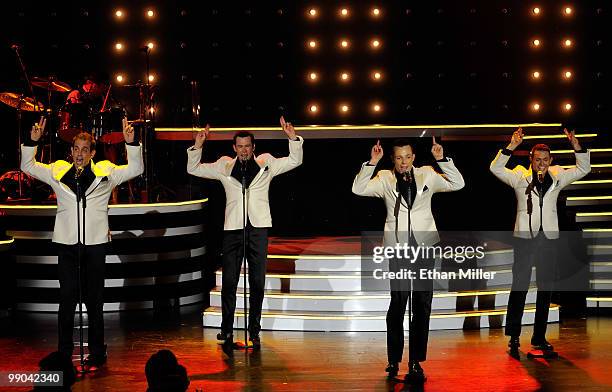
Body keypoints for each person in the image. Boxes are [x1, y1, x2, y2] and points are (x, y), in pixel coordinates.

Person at [21, 116, 144, 369]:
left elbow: (135, 169)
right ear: (71, 151)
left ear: (92, 153)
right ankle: (64, 353)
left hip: (95, 244)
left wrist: (132, 144)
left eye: (84, 150)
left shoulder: (106, 170)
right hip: (67, 244)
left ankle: (97, 352)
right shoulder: (58, 170)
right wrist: (32, 141)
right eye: (76, 149)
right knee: (66, 300)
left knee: (94, 300)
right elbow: (28, 166)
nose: (79, 154)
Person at [352, 137, 464, 382]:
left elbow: (458, 183)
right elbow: (358, 189)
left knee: (422, 303)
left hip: (424, 246)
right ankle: (394, 359)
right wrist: (372, 162)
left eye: (408, 157)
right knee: (399, 302)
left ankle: (416, 360)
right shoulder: (383, 178)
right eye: (399, 158)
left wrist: (441, 160)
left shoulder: (428, 174)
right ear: (393, 159)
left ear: (414, 157)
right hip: (398, 247)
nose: (403, 162)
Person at [187, 116, 303, 348]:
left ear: (253, 147)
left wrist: (292, 138)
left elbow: (294, 161)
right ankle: (227, 330)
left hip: (258, 228)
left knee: (257, 282)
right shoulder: (224, 166)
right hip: (233, 229)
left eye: (247, 146)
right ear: (234, 148)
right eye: (239, 147)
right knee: (229, 281)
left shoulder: (266, 163)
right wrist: (198, 145)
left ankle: (255, 330)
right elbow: (193, 168)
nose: (243, 150)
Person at [490, 127, 590, 357]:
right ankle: (514, 336)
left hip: (549, 239)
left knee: (546, 289)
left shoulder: (557, 175)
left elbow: (585, 168)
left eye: (545, 160)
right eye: (537, 160)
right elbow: (494, 168)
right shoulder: (518, 176)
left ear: (550, 160)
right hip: (525, 238)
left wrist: (576, 144)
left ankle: (539, 338)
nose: (541, 164)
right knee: (520, 287)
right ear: (531, 160)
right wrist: (512, 145)